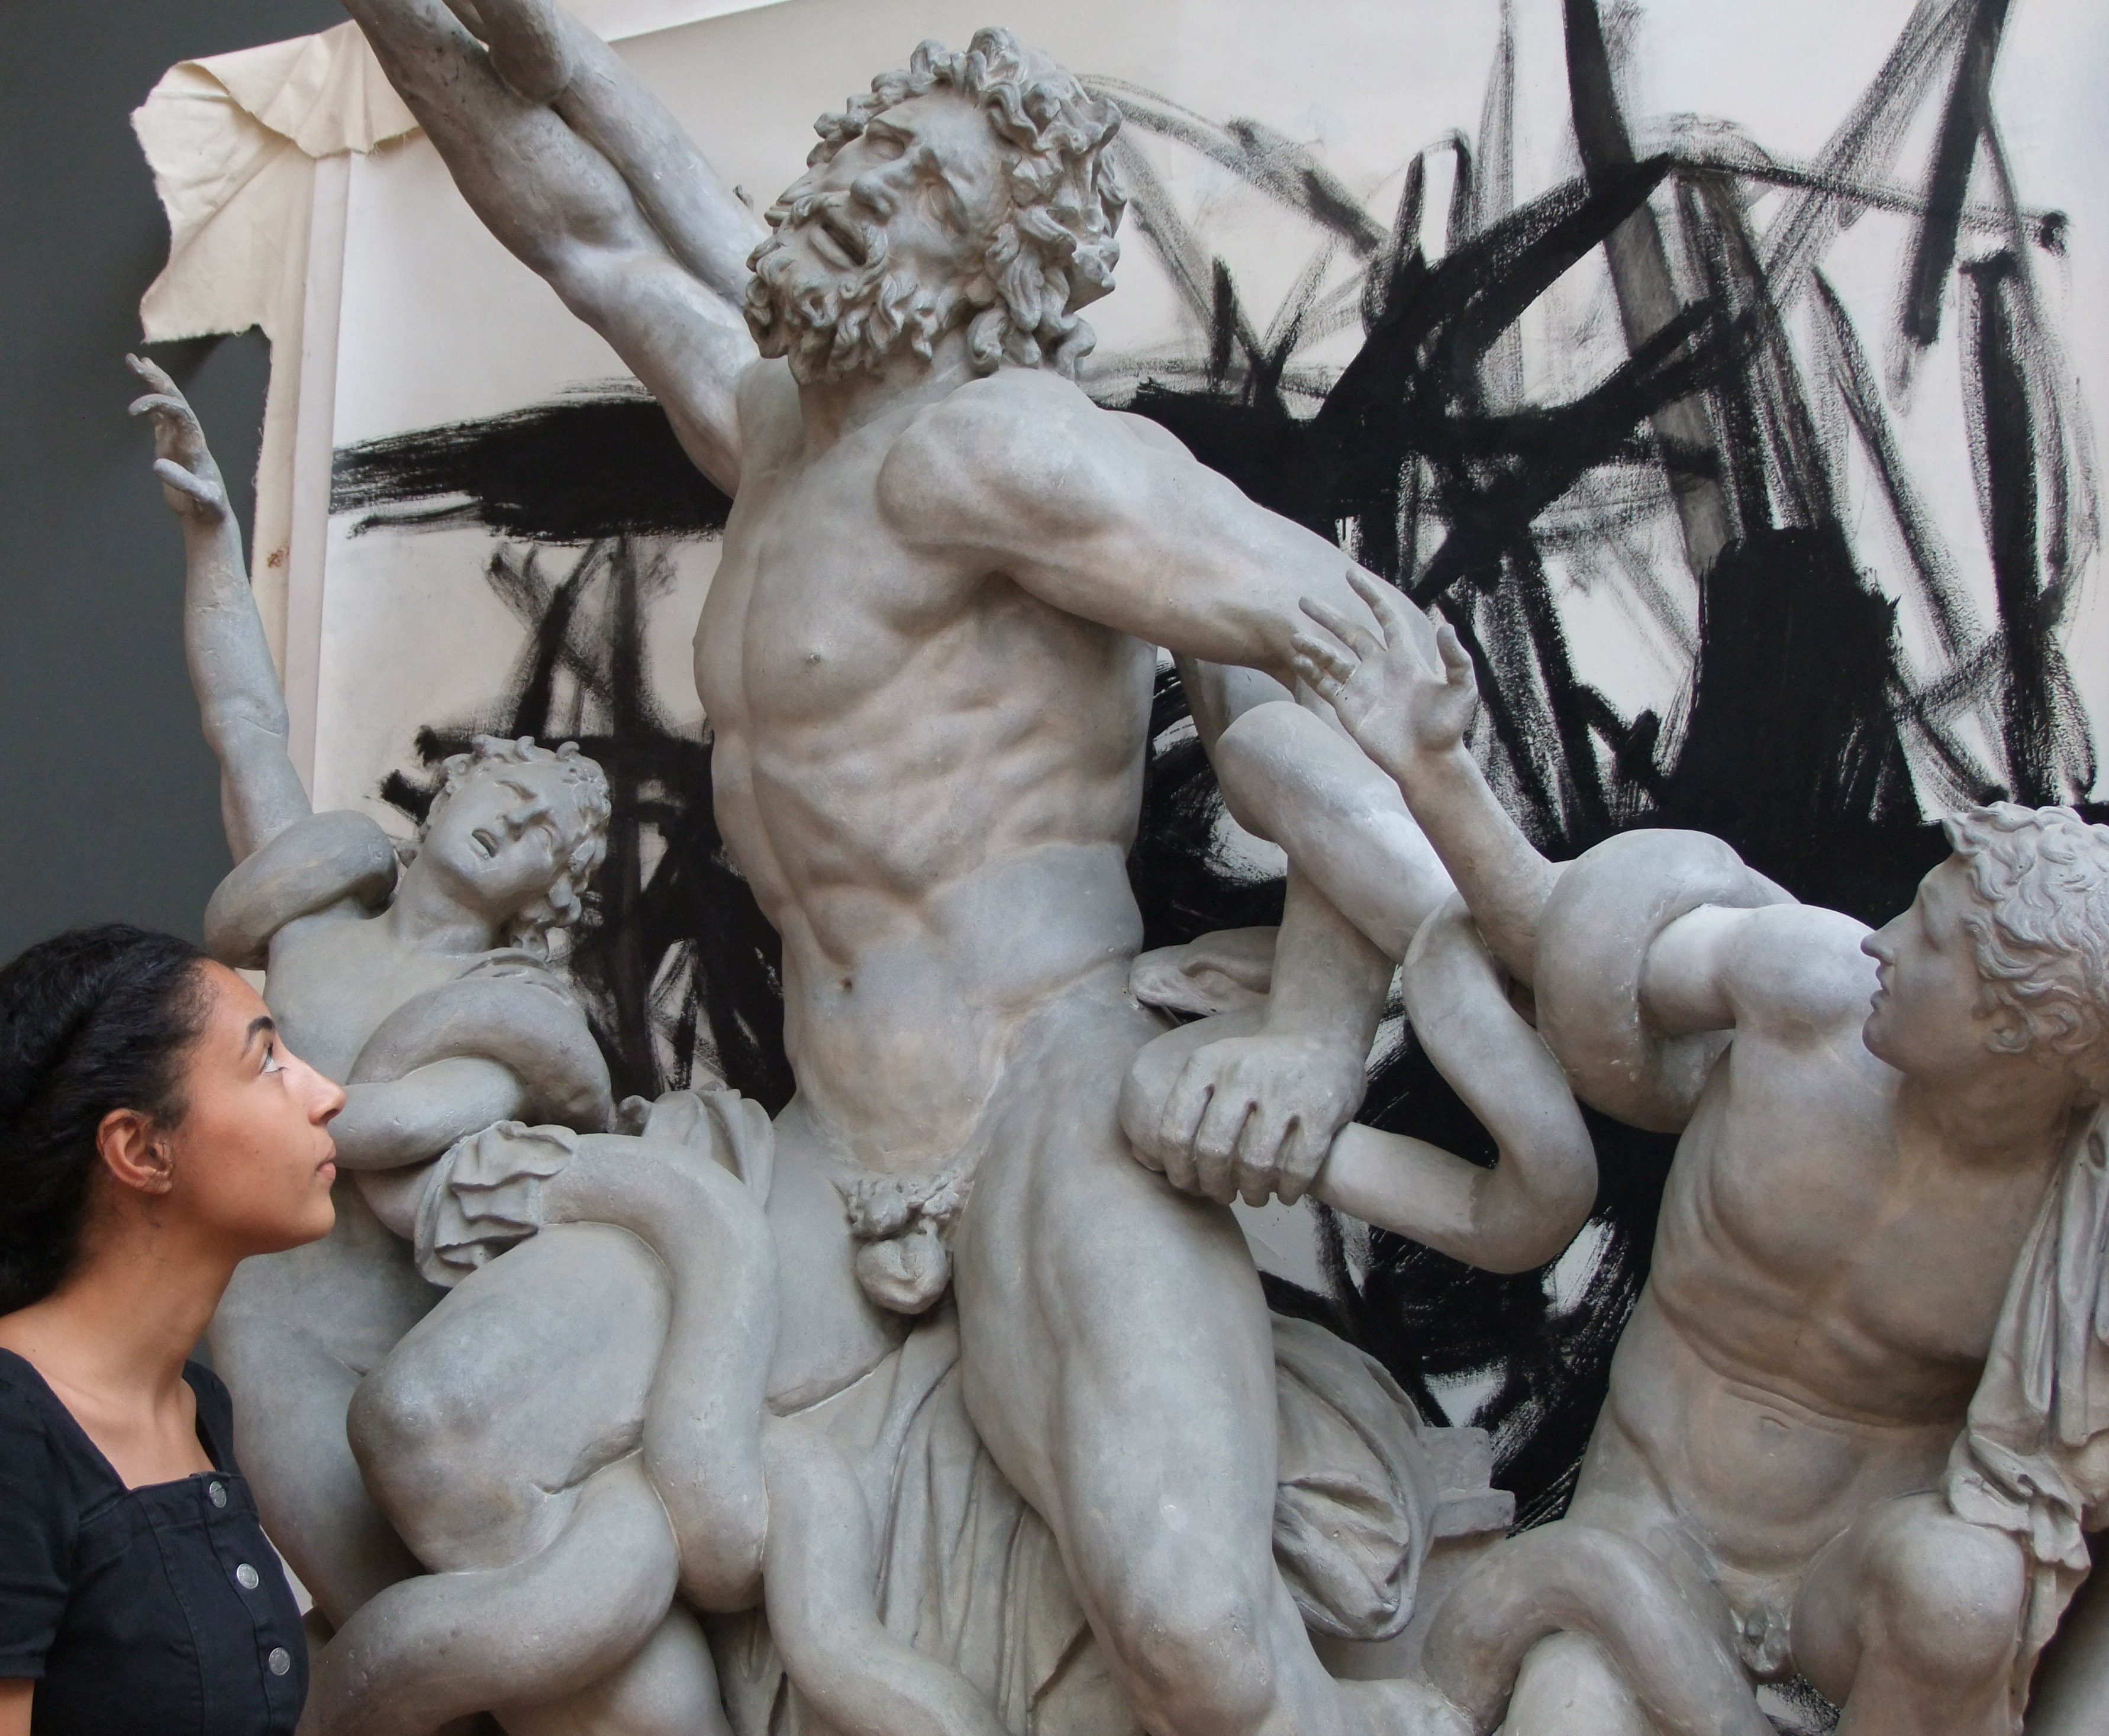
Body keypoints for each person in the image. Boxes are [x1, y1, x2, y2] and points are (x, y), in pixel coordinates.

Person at [338, 7, 1468, 1735]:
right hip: (817, 1148)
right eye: (861, 146)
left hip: (1049, 1100)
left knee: (1201, 1648)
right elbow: (577, 216)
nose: (861, 185)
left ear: (990, 267)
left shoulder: (1007, 451)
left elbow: (1360, 652)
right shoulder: (774, 432)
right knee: (437, 1429)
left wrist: (1312, 1035)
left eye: (923, 181)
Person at [1291, 569, 2109, 1734]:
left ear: (2015, 1034)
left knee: (1963, 1585)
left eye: (1930, 940)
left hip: (1841, 1600)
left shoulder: (2074, 1235)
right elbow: (1552, 936)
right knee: (1568, 1712)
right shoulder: (1806, 991)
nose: (1884, 939)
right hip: (1651, 1533)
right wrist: (1435, 770)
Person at [127, 356, 618, 1630]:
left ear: (544, 898)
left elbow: (386, 1129)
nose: (517, 821)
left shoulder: (512, 1016)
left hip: (412, 1354)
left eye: (548, 838)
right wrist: (214, 545)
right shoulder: (313, 920)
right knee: (381, 1635)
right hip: (275, 1340)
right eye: (507, 789)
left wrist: (204, 1115)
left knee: (471, 1620)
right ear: (445, 791)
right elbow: (241, 721)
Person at [0, 923, 344, 1736]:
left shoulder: (197, 1407)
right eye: (267, 1061)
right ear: (140, 1147)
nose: (326, 1091)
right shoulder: (15, 1431)